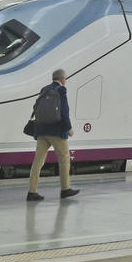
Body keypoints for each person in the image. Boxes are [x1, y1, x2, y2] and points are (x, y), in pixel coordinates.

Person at [26, 68, 79, 201]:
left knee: (38, 161)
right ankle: (65, 189)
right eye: (65, 78)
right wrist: (69, 128)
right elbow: (64, 112)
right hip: (56, 131)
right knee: (64, 159)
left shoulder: (45, 89)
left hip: (42, 131)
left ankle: (32, 192)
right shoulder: (61, 90)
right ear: (62, 79)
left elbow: (36, 108)